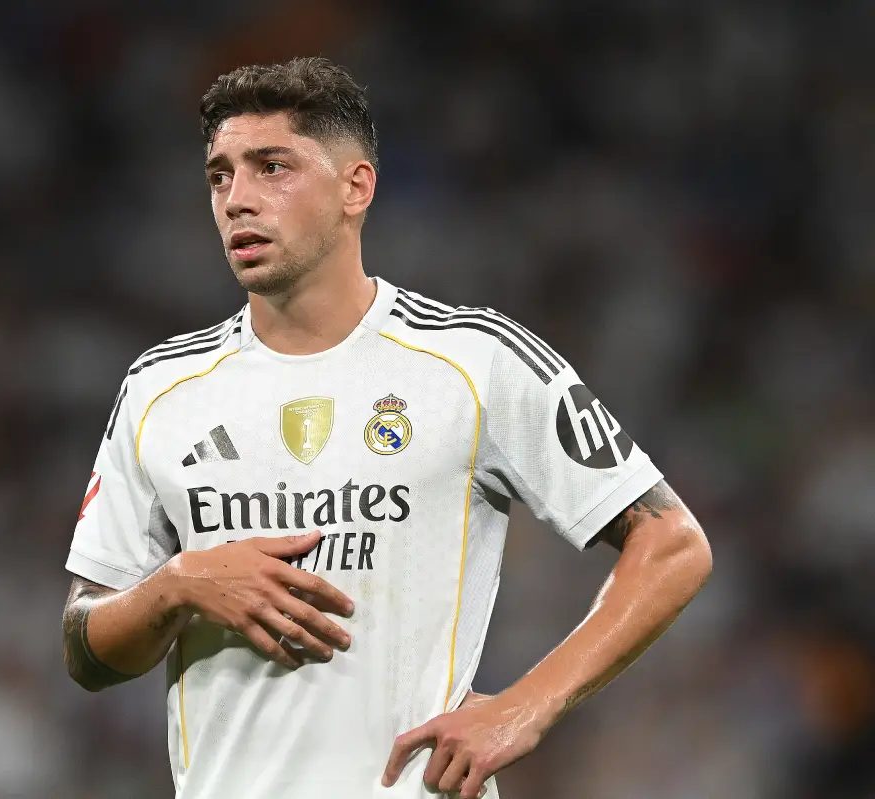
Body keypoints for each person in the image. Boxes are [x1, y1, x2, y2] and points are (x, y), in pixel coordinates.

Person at [61, 56, 712, 799]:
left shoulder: (475, 361)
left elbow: (672, 543)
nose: (238, 199)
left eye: (272, 167)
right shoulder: (159, 389)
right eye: (220, 175)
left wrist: (526, 706)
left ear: (356, 188)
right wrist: (181, 583)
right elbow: (86, 649)